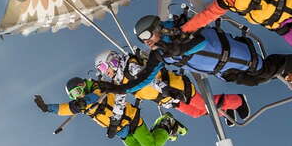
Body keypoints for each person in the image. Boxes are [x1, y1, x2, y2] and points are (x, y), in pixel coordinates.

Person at [106, 15, 292, 93]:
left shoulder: (182, 28)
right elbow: (146, 76)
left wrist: (178, 48)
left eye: (147, 35)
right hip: (224, 69)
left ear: (157, 27)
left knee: (262, 70)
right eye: (142, 40)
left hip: (236, 53)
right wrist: (121, 88)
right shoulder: (159, 55)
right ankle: (288, 69)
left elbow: (200, 42)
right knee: (254, 82)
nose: (147, 41)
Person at [33, 76, 183, 146]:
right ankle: (159, 129)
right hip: (119, 132)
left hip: (131, 120)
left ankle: (166, 124)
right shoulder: (81, 104)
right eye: (73, 95)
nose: (77, 96)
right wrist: (47, 108)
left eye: (78, 91)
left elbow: (95, 95)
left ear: (83, 85)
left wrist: (84, 101)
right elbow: (66, 108)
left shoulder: (98, 87)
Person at [94, 49, 248, 124]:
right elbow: (119, 102)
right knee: (196, 112)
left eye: (105, 67)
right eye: (102, 70)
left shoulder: (131, 67)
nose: (106, 72)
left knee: (206, 105)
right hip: (168, 99)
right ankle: (225, 111)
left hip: (175, 88)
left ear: (113, 61)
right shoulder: (120, 84)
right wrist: (115, 121)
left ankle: (238, 100)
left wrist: (165, 88)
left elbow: (148, 79)